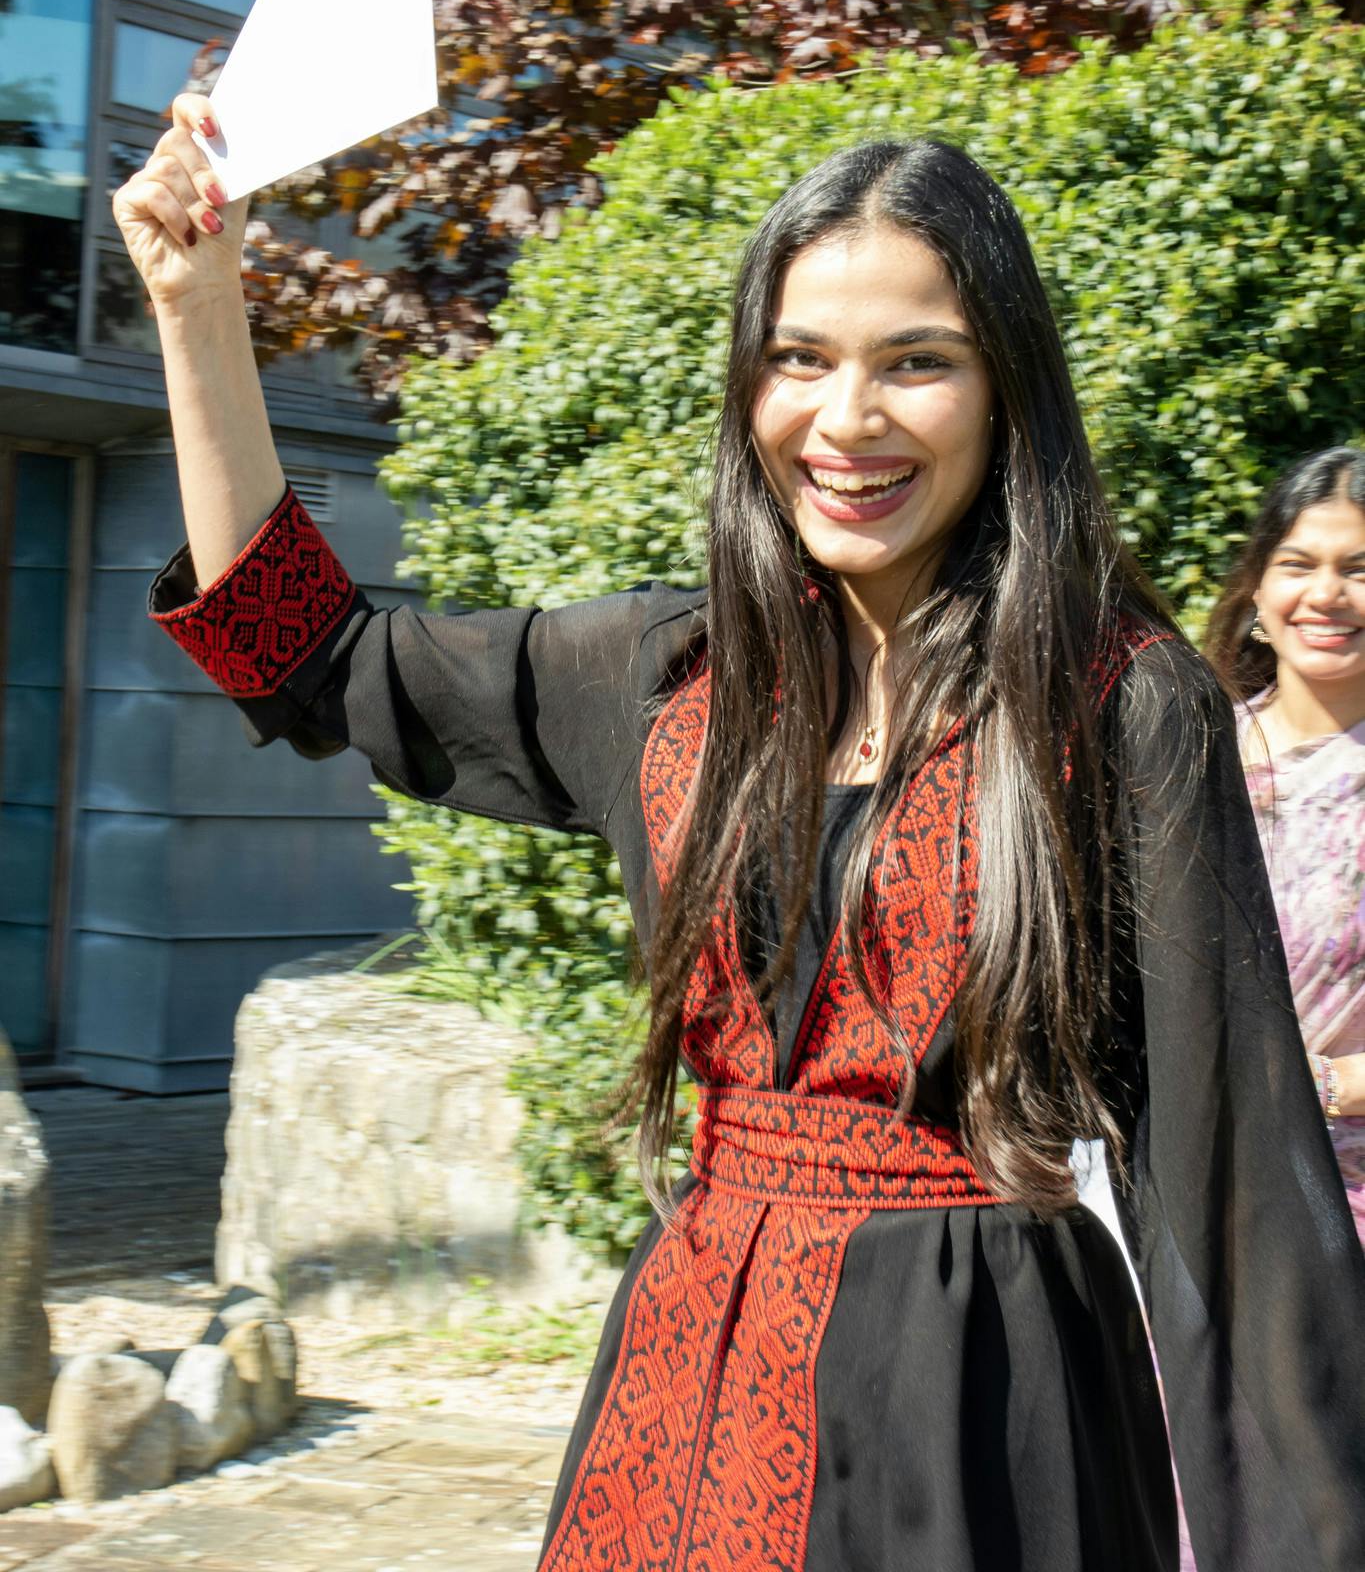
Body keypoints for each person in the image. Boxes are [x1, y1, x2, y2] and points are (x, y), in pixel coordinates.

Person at [113, 109, 1365, 1572]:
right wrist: (198, 309)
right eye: (799, 359)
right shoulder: (666, 676)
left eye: (918, 361)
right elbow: (308, 659)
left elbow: (1232, 1200)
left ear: (1006, 389)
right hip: (688, 1377)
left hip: (984, 1402)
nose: (847, 420)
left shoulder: (1121, 705)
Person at [1205, 448, 1365, 1240]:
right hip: (1203, 1196)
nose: (1326, 595)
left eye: (1358, 568)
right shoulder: (1193, 759)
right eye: (1298, 564)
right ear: (1259, 594)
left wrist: (1322, 1086)